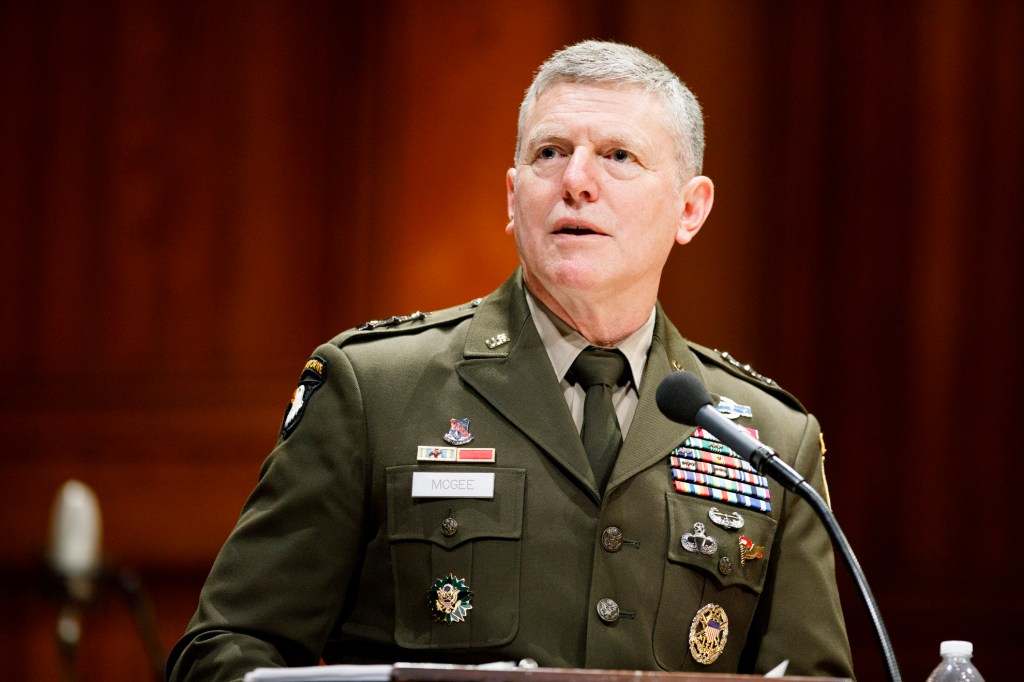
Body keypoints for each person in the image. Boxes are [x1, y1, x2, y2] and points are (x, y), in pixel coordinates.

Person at [167, 40, 854, 681]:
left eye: (618, 156)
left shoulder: (771, 439)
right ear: (513, 194)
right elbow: (224, 650)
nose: (576, 180)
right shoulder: (376, 391)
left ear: (690, 209)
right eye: (549, 153)